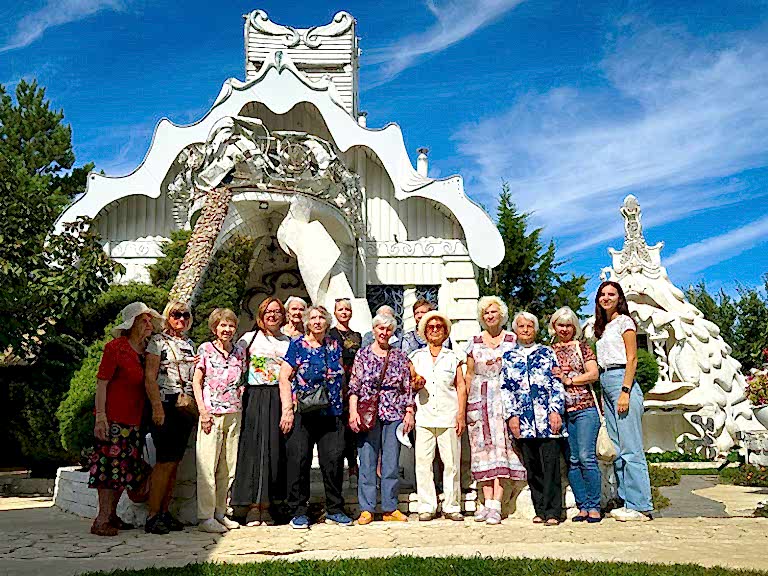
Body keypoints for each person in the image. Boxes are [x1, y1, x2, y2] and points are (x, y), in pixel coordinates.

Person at [89, 301, 161, 536]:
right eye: (144, 320)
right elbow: (102, 383)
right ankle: (101, 519)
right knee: (109, 471)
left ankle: (111, 515)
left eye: (150, 320)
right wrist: (101, 417)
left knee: (124, 470)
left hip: (134, 421)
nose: (149, 324)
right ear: (132, 325)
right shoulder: (115, 348)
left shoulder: (147, 351)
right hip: (114, 420)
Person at [278, 305, 353, 529]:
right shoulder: (297, 345)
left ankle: (335, 509)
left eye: (321, 317)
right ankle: (298, 511)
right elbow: (284, 377)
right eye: (313, 318)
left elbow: (341, 376)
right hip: (303, 412)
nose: (318, 321)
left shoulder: (334, 346)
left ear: (327, 322)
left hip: (332, 413)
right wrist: (287, 409)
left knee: (333, 460)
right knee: (299, 461)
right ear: (307, 322)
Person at [348, 314, 416, 525]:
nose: (384, 333)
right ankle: (367, 508)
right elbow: (354, 385)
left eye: (388, 329)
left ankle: (390, 507)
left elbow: (407, 387)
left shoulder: (399, 357)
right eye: (380, 328)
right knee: (367, 460)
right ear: (374, 330)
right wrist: (353, 411)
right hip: (368, 412)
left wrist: (409, 411)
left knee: (390, 461)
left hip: (393, 411)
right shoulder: (363, 354)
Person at [594, 281, 653, 522]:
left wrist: (625, 391)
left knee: (631, 447)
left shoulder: (625, 322)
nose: (606, 298)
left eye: (611, 294)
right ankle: (625, 500)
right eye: (602, 294)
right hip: (606, 380)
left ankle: (641, 505)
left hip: (621, 380)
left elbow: (632, 359)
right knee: (617, 448)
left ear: (619, 298)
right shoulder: (604, 327)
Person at [465, 296, 526, 525]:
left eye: (494, 312)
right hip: (480, 399)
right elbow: (469, 374)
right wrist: (466, 407)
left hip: (503, 398)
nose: (490, 316)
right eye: (486, 313)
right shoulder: (474, 341)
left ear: (501, 314)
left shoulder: (511, 340)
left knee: (502, 449)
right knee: (482, 450)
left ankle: (497, 504)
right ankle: (486, 501)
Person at [231, 297, 290, 527]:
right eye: (268, 312)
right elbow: (232, 359)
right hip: (254, 396)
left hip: (278, 396)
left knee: (275, 450)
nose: (272, 316)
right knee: (253, 449)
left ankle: (268, 505)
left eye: (276, 312)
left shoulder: (288, 341)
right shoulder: (249, 338)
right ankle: (251, 506)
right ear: (261, 315)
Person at [502, 311, 566, 526]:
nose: (526, 330)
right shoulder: (509, 357)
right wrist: (511, 416)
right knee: (532, 466)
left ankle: (553, 511)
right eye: (521, 326)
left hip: (547, 419)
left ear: (535, 329)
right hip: (524, 420)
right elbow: (506, 389)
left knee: (550, 465)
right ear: (515, 330)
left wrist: (556, 410)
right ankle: (539, 509)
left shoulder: (546, 353)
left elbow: (556, 383)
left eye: (529, 326)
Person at [144, 301, 197, 534]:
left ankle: (165, 511)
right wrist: (157, 407)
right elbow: (149, 376)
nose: (181, 319)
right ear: (168, 317)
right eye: (176, 315)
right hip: (166, 403)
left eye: (185, 315)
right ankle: (153, 514)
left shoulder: (189, 344)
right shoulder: (157, 342)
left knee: (174, 462)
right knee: (164, 461)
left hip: (185, 406)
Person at [192, 308, 246, 533]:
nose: (227, 329)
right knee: (207, 466)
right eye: (223, 325)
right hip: (211, 414)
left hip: (234, 413)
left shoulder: (239, 352)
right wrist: (203, 412)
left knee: (228, 467)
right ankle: (205, 517)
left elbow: (242, 377)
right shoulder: (205, 349)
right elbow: (197, 381)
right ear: (215, 327)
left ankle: (220, 512)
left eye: (231, 325)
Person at [410, 310, 467, 521]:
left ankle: (452, 506)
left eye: (439, 327)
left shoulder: (453, 357)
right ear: (425, 332)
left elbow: (461, 387)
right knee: (423, 463)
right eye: (431, 327)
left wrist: (461, 414)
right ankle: (427, 506)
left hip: (448, 415)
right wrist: (416, 384)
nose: (435, 330)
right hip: (424, 416)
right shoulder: (416, 357)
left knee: (451, 463)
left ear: (445, 332)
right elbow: (411, 384)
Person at [549, 306, 602, 523]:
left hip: (585, 407)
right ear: (554, 326)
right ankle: (582, 506)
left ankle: (594, 505)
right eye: (561, 325)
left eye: (568, 325)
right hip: (562, 411)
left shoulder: (582, 347)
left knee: (586, 457)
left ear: (575, 327)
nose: (564, 329)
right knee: (572, 459)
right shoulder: (548, 350)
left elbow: (593, 374)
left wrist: (570, 380)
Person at [328, 298, 363, 480]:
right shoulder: (329, 334)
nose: (344, 312)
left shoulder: (357, 336)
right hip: (336, 384)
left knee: (352, 428)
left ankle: (353, 465)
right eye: (340, 309)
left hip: (354, 384)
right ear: (335, 313)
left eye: (347, 309)